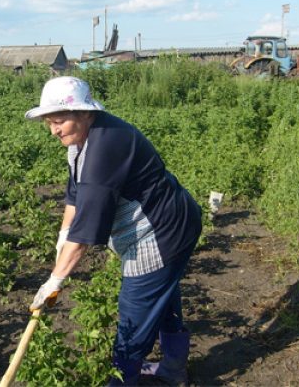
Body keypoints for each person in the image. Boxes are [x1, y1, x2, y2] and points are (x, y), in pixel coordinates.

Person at [25, 76, 202, 386]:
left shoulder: (103, 149)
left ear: (83, 113)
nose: (53, 130)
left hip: (160, 234)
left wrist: (56, 279)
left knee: (135, 313)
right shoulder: (82, 139)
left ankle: (122, 381)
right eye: (49, 123)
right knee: (161, 297)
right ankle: (173, 370)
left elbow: (86, 232)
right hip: (169, 221)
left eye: (59, 121)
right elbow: (75, 196)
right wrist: (62, 234)